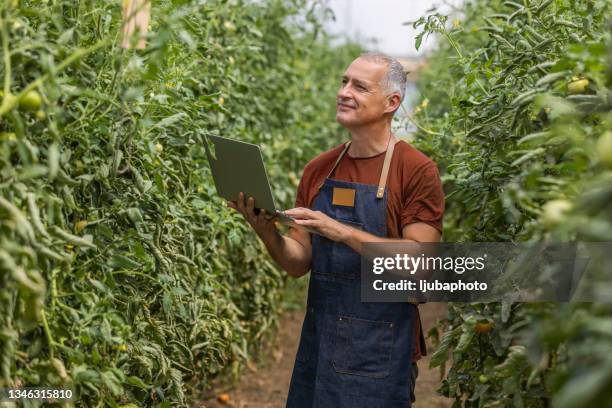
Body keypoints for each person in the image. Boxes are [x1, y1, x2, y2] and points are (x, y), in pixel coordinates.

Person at [228, 52, 444, 408]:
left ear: (392, 102)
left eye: (359, 86)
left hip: (379, 349)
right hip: (320, 339)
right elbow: (298, 263)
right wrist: (265, 230)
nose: (344, 91)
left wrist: (340, 231)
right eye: (344, 81)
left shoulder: (415, 170)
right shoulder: (321, 169)